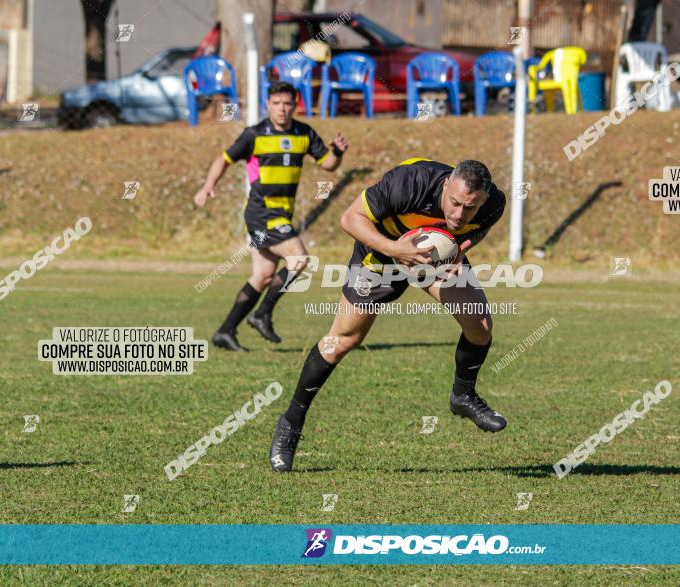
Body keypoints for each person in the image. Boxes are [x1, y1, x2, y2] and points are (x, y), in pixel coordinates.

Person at [268, 158, 507, 473]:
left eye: (469, 208)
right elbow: (349, 218)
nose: (459, 214)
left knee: (480, 325)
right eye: (454, 203)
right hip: (381, 253)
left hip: (432, 259)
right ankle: (290, 425)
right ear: (446, 184)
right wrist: (396, 250)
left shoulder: (494, 204)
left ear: (484, 200)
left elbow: (477, 230)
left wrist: (459, 249)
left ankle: (462, 395)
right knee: (342, 340)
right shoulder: (410, 182)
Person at [193, 82, 349, 352]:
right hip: (262, 213)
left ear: (295, 105)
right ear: (268, 105)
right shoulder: (254, 135)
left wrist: (336, 151)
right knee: (299, 260)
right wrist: (208, 185)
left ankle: (225, 331)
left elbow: (328, 165)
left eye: (287, 104)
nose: (282, 109)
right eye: (276, 103)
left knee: (264, 275)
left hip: (281, 214)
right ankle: (262, 314)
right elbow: (224, 159)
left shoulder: (304, 133)